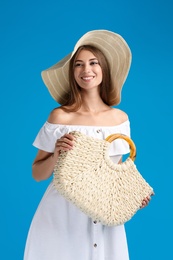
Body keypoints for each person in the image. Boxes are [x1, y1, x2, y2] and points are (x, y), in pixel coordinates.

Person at [24, 30, 152, 260]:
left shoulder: (120, 119)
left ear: (104, 68)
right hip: (61, 216)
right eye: (79, 65)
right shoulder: (60, 117)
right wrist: (56, 156)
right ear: (73, 72)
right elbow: (37, 173)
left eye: (93, 63)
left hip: (105, 216)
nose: (86, 70)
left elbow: (115, 175)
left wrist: (132, 197)